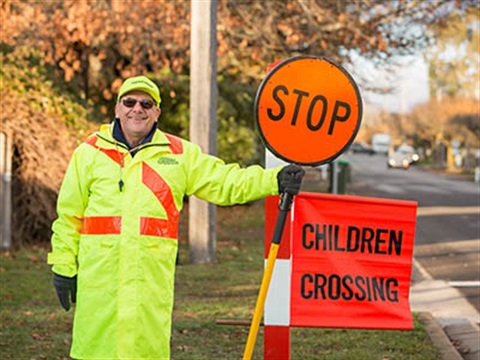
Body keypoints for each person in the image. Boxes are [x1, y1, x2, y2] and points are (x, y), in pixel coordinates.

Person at [47, 75, 304, 359]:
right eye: (129, 102)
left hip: (149, 289)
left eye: (147, 103)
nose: (137, 109)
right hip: (99, 286)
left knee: (145, 352)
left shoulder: (179, 155)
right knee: (95, 352)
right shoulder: (89, 153)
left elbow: (225, 182)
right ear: (117, 109)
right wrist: (62, 265)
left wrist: (273, 180)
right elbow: (69, 216)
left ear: (157, 113)